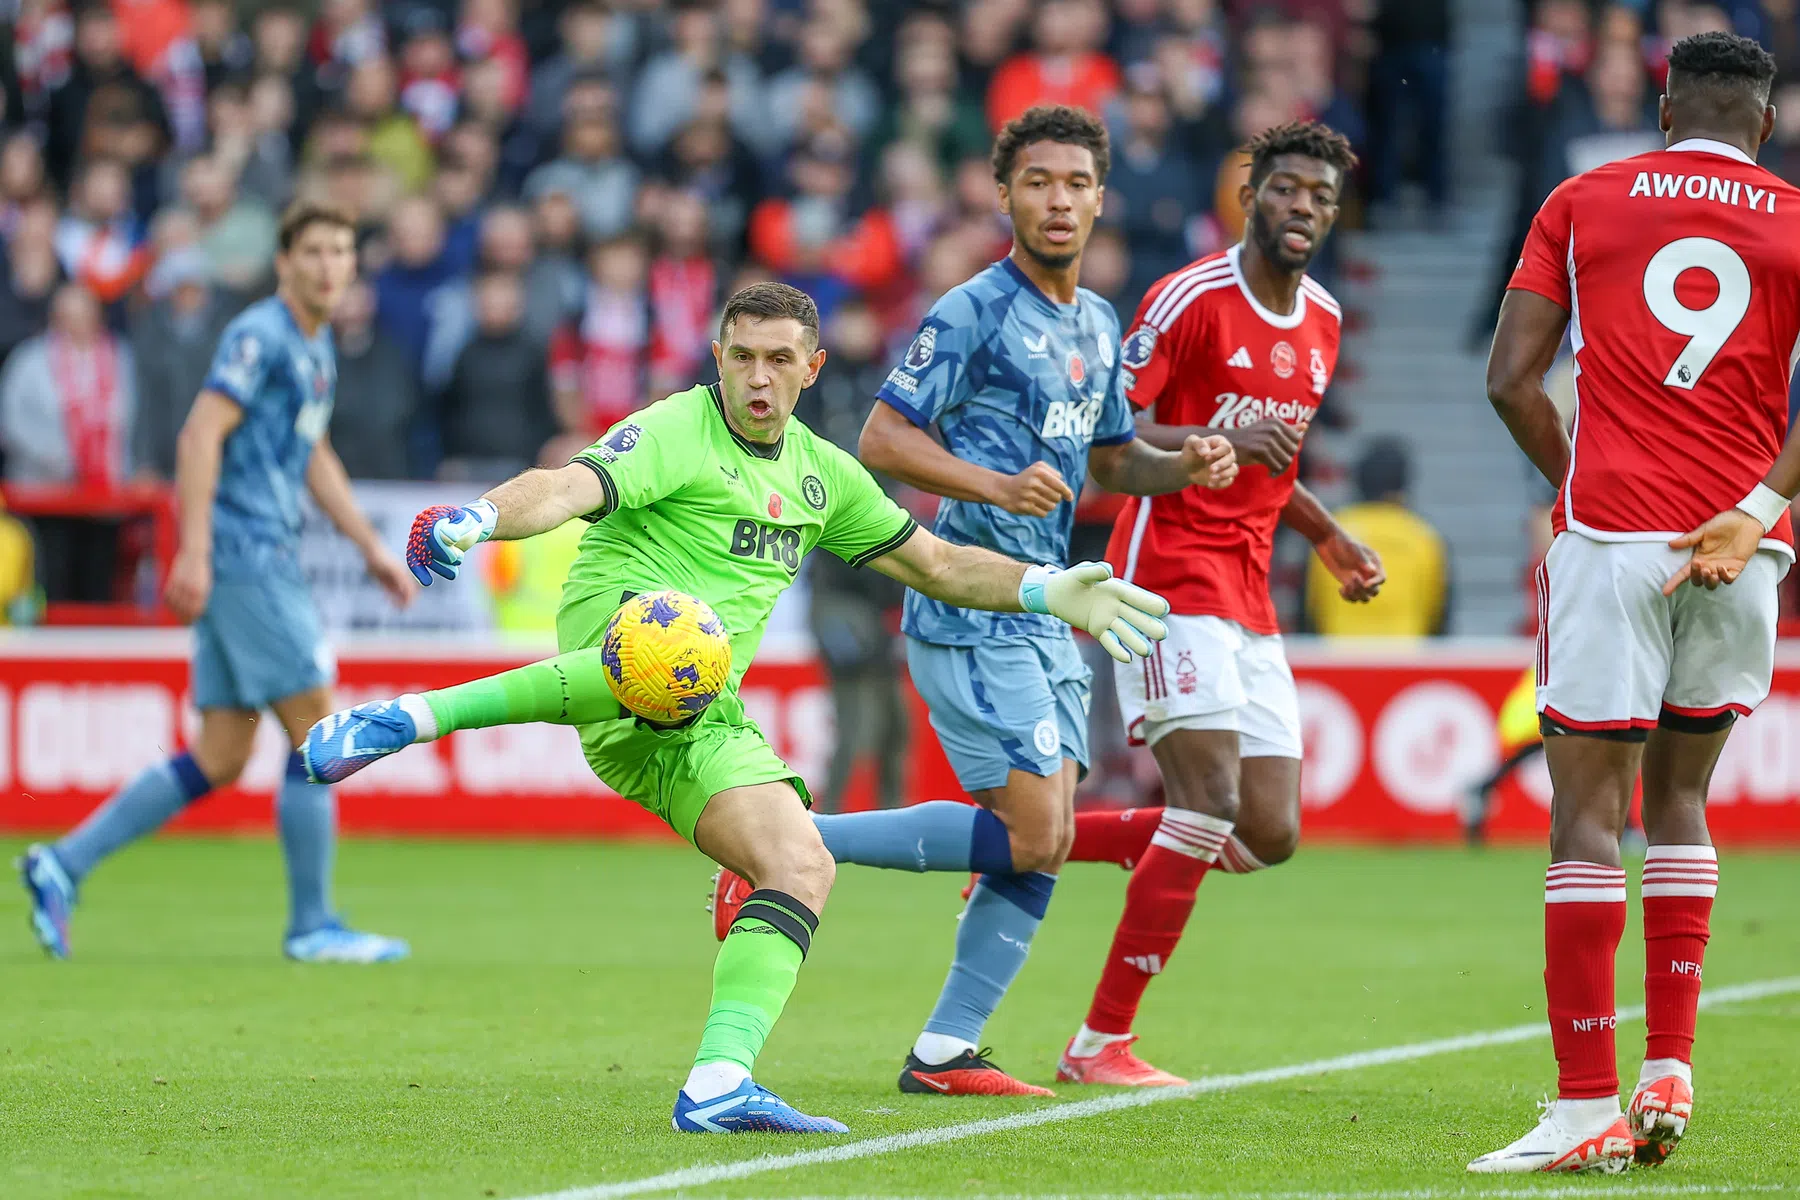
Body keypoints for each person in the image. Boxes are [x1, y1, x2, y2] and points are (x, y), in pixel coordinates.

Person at [295, 281, 1177, 1134]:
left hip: (697, 713)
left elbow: (938, 565)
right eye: (742, 357)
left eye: (779, 359)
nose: (758, 377)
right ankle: (410, 718)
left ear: (813, 366)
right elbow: (565, 486)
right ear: (718, 356)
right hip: (623, 636)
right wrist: (480, 519)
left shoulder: (824, 477)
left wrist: (1047, 589)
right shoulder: (680, 426)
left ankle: (719, 1084)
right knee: (681, 642)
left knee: (800, 862)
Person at [717, 105, 1240, 1098]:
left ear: (1099, 197)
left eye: (1076, 183)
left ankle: (946, 1052)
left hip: (1050, 605)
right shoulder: (972, 311)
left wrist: (1190, 462)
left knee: (1043, 834)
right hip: (966, 602)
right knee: (1039, 831)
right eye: (1037, 181)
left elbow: (1115, 459)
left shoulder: (1096, 320)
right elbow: (880, 438)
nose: (1057, 199)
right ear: (1005, 195)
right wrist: (994, 487)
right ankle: (788, 843)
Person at [1475, 32, 1798, 1173]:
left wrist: (1576, 481)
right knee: (1683, 800)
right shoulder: (1795, 217)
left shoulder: (1584, 197)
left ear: (1665, 111)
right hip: (1740, 546)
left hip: (1613, 537)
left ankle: (1581, 1109)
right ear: (1764, 124)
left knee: (1585, 812)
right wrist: (1757, 509)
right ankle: (1669, 1064)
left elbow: (1510, 378)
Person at [1051, 121, 1380, 1088]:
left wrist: (1325, 534)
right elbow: (1112, 444)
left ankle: (1046, 841)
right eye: (1284, 189)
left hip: (1249, 585)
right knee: (1208, 802)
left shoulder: (1321, 316)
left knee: (1268, 831)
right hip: (1167, 575)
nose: (1301, 209)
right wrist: (1199, 441)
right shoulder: (1190, 299)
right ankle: (1100, 1041)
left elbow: (1274, 457)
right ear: (1250, 195)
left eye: (1319, 196)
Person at [18, 203, 418, 963]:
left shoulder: (315, 343)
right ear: (284, 263)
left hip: (261, 553)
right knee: (316, 730)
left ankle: (60, 864)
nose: (331, 265)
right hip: (244, 555)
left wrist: (369, 545)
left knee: (222, 754)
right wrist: (194, 552)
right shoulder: (259, 335)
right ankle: (313, 925)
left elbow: (311, 453)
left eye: (342, 251)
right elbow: (199, 434)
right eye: (315, 251)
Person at [1303, 437, 1448, 637]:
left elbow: (1308, 610)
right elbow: (1439, 617)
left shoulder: (1328, 532)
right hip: (1406, 662)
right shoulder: (1424, 537)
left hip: (1337, 661)